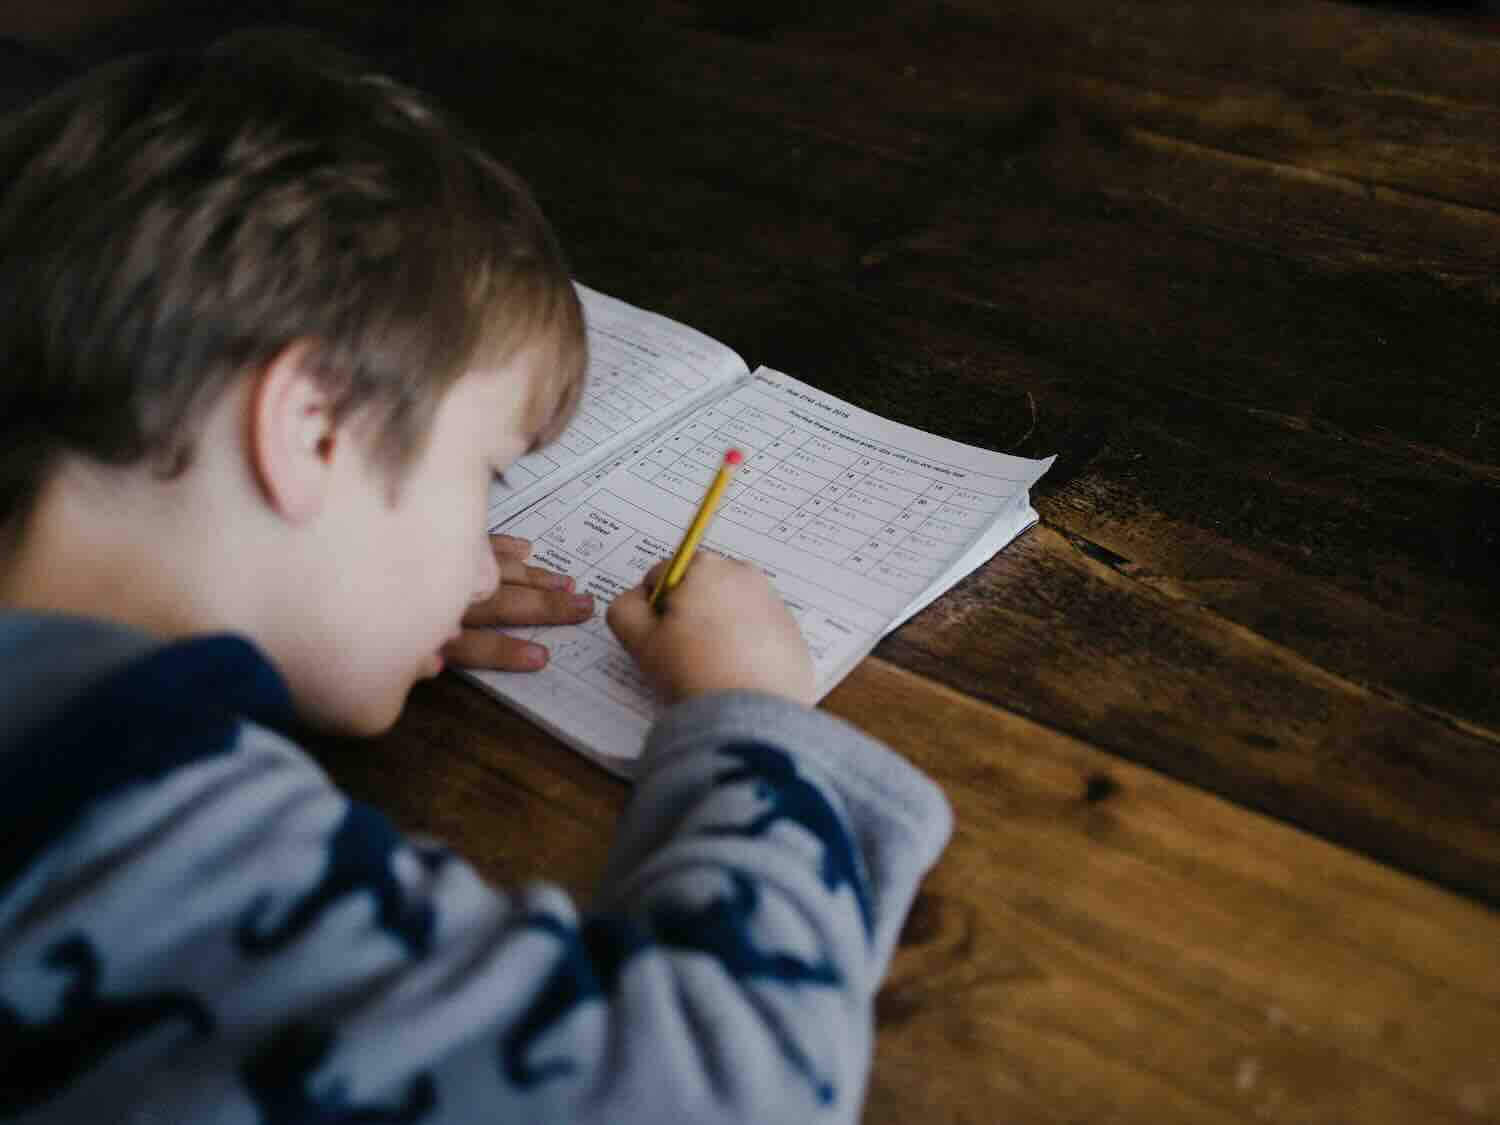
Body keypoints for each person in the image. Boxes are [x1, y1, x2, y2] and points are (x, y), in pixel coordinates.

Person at [0, 29, 952, 1124]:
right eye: (485, 476)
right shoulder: (129, 826)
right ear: (315, 430)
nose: (476, 559)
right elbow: (733, 1092)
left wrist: (329, 607)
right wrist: (754, 721)